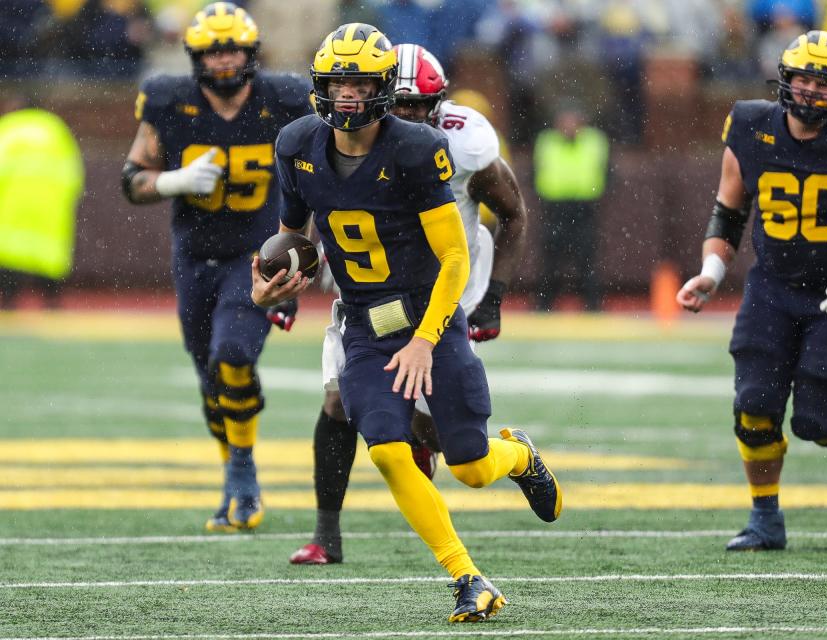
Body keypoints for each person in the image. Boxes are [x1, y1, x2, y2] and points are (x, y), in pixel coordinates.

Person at [251, 23, 560, 622]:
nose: (346, 97)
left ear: (383, 88)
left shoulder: (417, 149)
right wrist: (270, 285)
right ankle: (468, 578)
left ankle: (517, 456)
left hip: (432, 316)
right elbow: (294, 237)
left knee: (468, 465)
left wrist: (424, 341)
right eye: (337, 84)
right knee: (389, 450)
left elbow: (454, 257)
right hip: (363, 323)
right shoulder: (296, 144)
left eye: (360, 83)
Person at [676, 31, 827, 551]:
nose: (811, 91)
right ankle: (765, 518)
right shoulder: (749, 124)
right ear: (784, 80)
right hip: (772, 286)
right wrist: (712, 273)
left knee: (819, 421)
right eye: (803, 79)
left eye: (824, 83)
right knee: (754, 405)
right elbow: (729, 210)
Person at [287, 42, 528, 567]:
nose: (408, 115)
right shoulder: (319, 141)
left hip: (436, 293)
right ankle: (327, 534)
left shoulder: (447, 147)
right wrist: (285, 277)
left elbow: (512, 214)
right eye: (399, 103)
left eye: (419, 106)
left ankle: (502, 454)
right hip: (363, 294)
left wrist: (493, 299)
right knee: (340, 403)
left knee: (456, 448)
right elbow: (306, 208)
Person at [121, 1, 313, 532]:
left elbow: (316, 179)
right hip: (194, 255)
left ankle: (245, 475)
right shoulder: (168, 99)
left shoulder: (286, 100)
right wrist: (172, 182)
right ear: (195, 56)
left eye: (233, 50)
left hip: (256, 257)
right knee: (211, 376)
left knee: (233, 354)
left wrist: (298, 254)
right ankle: (230, 469)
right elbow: (132, 178)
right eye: (213, 51)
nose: (225, 61)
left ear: (251, 52)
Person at [0, 94, 84, 309]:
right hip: (50, 207)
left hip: (13, 205)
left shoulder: (9, 127)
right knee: (50, 257)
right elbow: (74, 172)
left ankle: (9, 301)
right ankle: (52, 302)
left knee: (11, 255)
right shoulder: (56, 129)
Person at [532, 105, 609, 311]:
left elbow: (606, 172)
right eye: (564, 122)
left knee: (586, 260)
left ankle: (593, 307)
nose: (568, 127)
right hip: (554, 208)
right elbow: (537, 171)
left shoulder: (594, 141)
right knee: (550, 261)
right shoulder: (547, 141)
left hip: (584, 208)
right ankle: (543, 306)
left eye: (573, 121)